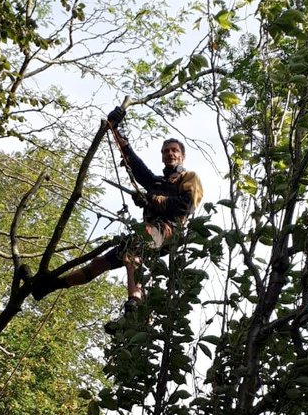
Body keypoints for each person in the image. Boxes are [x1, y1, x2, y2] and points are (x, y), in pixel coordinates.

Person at [52, 108, 203, 310]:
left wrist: (152, 199)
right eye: (166, 151)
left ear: (182, 156)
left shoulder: (189, 177)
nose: (170, 154)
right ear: (162, 156)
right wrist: (115, 129)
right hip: (148, 232)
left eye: (174, 150)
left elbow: (186, 206)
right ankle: (50, 285)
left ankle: (136, 300)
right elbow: (135, 164)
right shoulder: (155, 182)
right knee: (100, 263)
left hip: (168, 232)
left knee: (134, 250)